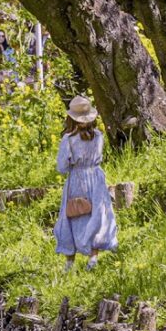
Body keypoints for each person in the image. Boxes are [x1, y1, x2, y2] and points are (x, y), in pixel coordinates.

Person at [54, 96, 118, 272]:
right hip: (96, 177)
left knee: (73, 214)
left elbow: (62, 166)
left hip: (77, 178)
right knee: (96, 214)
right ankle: (93, 257)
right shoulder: (98, 136)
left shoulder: (68, 139)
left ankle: (69, 261)